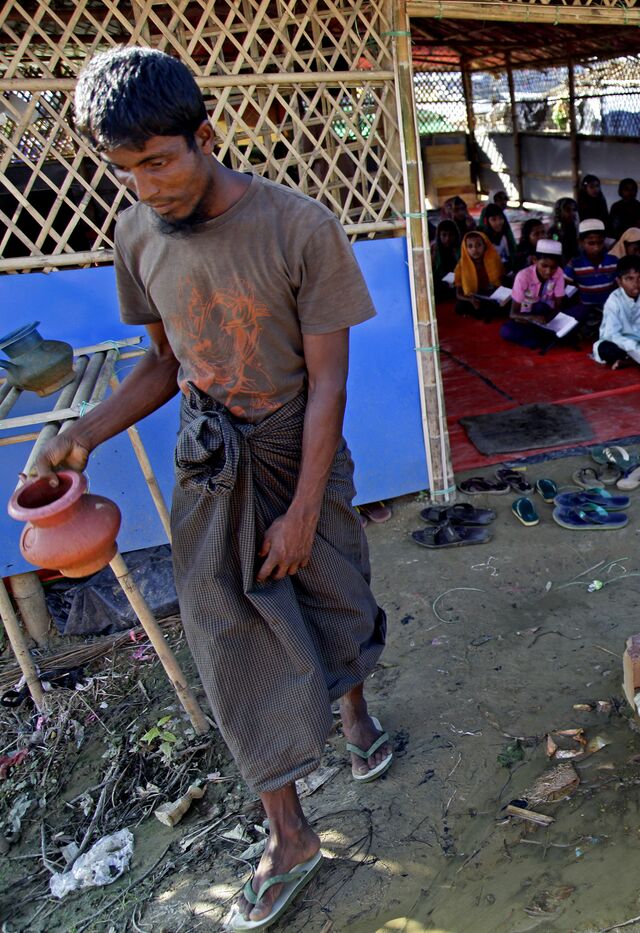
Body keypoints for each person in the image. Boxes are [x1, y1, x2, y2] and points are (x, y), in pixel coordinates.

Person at [47, 47, 391, 929]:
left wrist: (305, 508)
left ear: (206, 136)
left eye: (158, 161)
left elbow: (330, 386)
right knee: (221, 626)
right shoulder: (135, 236)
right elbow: (165, 364)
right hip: (212, 453)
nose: (146, 186)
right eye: (123, 170)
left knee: (330, 586)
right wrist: (83, 435)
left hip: (295, 437)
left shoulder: (298, 226)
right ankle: (290, 829)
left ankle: (355, 715)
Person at [504, 238, 569, 350]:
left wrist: (547, 320)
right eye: (544, 266)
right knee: (506, 331)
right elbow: (513, 313)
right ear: (534, 260)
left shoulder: (559, 272)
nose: (548, 271)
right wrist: (533, 318)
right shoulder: (523, 276)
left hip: (546, 314)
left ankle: (543, 336)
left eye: (553, 267)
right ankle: (544, 337)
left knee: (541, 307)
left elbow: (559, 305)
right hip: (528, 316)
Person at [565, 218, 618, 335]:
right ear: (581, 242)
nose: (596, 247)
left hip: (608, 308)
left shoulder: (613, 261)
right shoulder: (574, 263)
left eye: (600, 242)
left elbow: (617, 286)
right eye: (591, 243)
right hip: (586, 309)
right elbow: (565, 287)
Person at [454, 230, 506, 319]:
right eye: (470, 246)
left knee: (503, 304)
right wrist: (471, 300)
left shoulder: (493, 260)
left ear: (485, 246)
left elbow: (501, 283)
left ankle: (482, 314)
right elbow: (458, 294)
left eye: (478, 245)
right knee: (460, 306)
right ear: (465, 248)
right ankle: (485, 314)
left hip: (491, 294)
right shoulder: (462, 265)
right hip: (474, 297)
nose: (474, 249)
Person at [430, 220, 461, 303]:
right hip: (441, 281)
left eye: (451, 235)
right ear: (439, 235)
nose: (447, 238)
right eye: (444, 235)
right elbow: (431, 271)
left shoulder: (460, 248)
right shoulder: (434, 248)